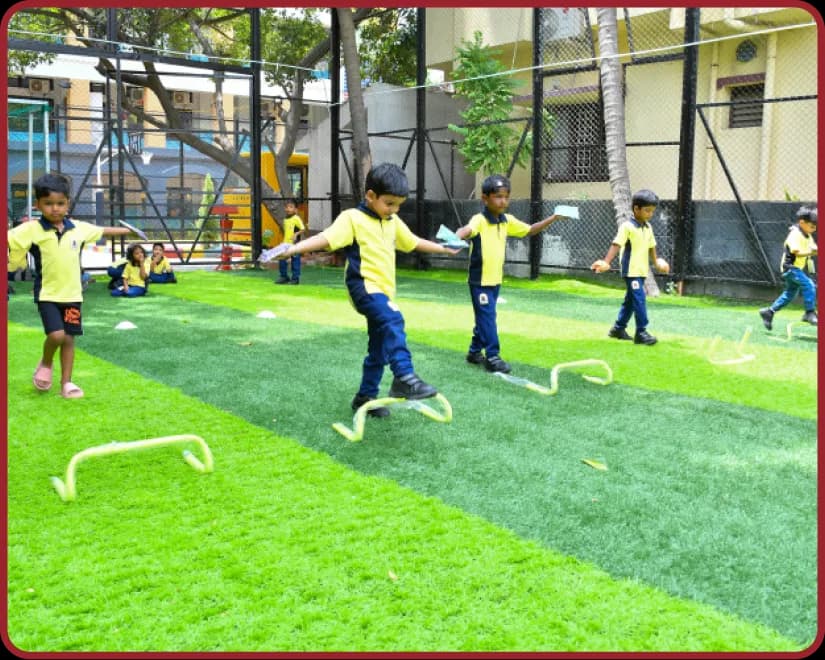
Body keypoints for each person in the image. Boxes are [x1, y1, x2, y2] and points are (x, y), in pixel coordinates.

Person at [276, 163, 460, 417]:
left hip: (383, 292)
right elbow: (327, 238)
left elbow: (413, 242)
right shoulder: (352, 218)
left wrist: (443, 248)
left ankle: (365, 397)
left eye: (398, 205)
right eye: (389, 203)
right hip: (362, 287)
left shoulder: (392, 221)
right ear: (370, 196)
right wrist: (293, 249)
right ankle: (404, 376)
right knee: (394, 318)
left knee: (380, 347)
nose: (394, 210)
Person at [7, 173, 139, 398]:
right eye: (48, 204)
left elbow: (101, 231)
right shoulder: (31, 229)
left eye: (60, 203)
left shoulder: (77, 228)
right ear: (38, 204)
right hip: (47, 294)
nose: (55, 209)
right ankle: (46, 364)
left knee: (69, 338)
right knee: (57, 335)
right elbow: (8, 238)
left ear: (68, 203)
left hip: (74, 294)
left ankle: (66, 383)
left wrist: (129, 231)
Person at [453, 174, 566, 374]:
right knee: (488, 317)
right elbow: (467, 229)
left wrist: (553, 218)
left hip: (495, 280)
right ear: (485, 198)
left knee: (484, 317)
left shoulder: (507, 221)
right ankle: (493, 356)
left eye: (506, 196)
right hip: (479, 281)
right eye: (498, 196)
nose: (503, 201)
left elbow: (529, 229)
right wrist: (457, 236)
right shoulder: (479, 220)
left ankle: (473, 352)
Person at [590, 188, 669, 346]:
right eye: (647, 210)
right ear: (636, 209)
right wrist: (606, 261)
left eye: (652, 211)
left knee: (631, 301)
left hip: (641, 271)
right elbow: (616, 244)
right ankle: (641, 332)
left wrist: (656, 262)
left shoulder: (648, 227)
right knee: (639, 299)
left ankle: (618, 329)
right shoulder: (627, 227)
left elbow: (651, 246)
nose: (650, 214)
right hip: (631, 271)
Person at [759, 205, 818, 330]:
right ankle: (809, 312)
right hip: (790, 268)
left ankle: (769, 312)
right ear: (802, 222)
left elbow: (814, 248)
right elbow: (796, 251)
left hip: (796, 269)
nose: (814, 229)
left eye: (816, 227)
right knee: (809, 285)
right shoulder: (795, 234)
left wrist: (814, 251)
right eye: (812, 226)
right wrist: (811, 252)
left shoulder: (808, 235)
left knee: (790, 294)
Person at [276, 198, 306, 285]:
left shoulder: (296, 218)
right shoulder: (285, 219)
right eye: (287, 207)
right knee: (282, 259)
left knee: (295, 261)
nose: (288, 209)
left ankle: (295, 279)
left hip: (294, 244)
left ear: (295, 209)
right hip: (285, 243)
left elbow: (303, 229)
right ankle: (284, 276)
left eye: (291, 207)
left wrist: (296, 234)